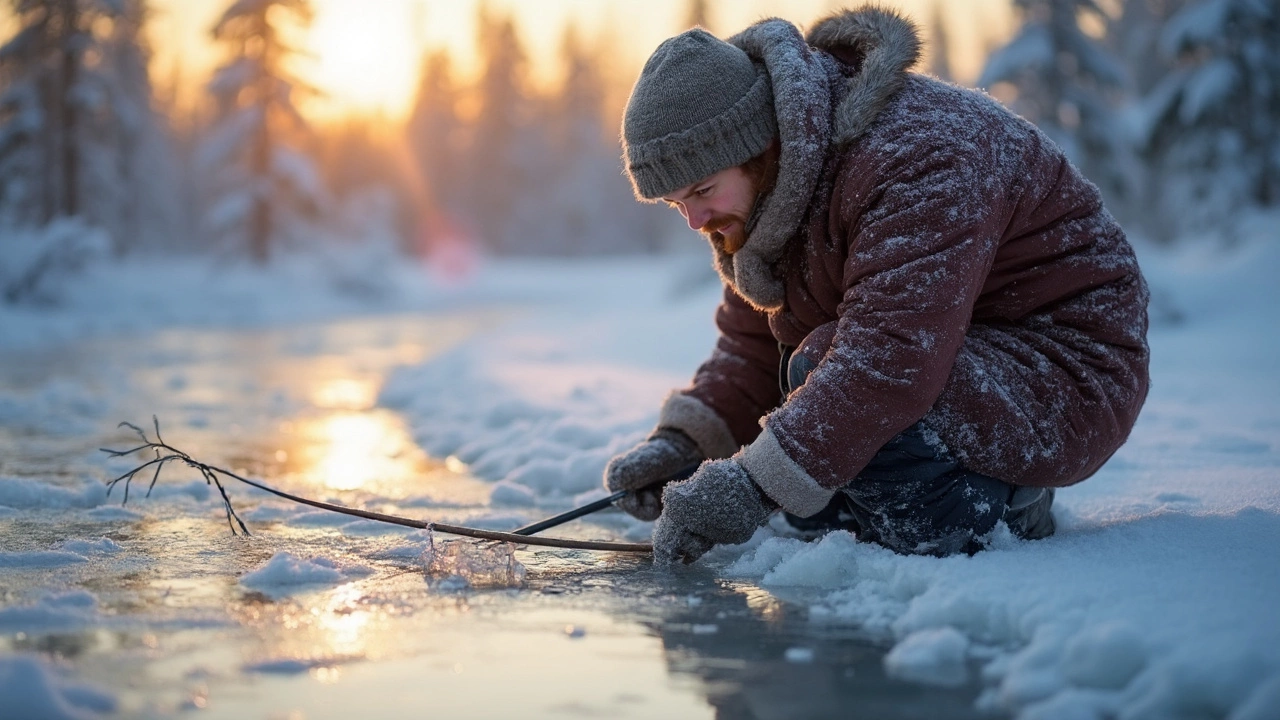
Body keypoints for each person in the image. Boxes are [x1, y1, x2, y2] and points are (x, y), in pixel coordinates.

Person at [603, 6, 1151, 566]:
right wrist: (686, 445)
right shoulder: (780, 191)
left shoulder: (916, 156)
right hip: (951, 355)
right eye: (677, 205)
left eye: (703, 190)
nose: (696, 221)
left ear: (758, 146)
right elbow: (755, 342)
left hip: (1064, 371)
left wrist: (751, 485)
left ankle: (1008, 507)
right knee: (810, 509)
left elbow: (890, 356)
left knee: (892, 507)